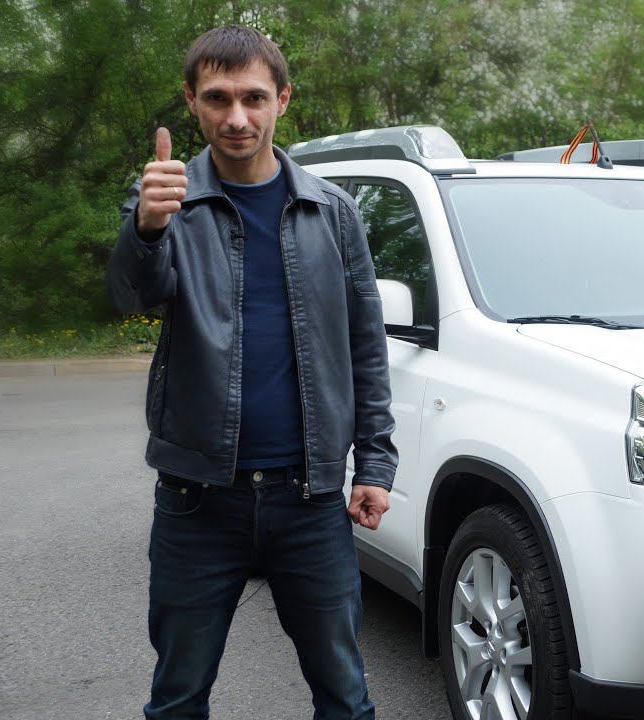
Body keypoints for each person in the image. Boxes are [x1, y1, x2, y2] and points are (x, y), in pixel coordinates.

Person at [105, 25, 397, 720]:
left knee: (345, 695)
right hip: (197, 501)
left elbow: (365, 345)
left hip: (310, 498)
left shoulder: (332, 212)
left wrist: (375, 465)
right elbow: (131, 296)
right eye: (218, 98)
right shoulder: (167, 199)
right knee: (177, 697)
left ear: (282, 100)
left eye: (253, 98)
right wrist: (145, 229)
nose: (236, 117)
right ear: (192, 101)